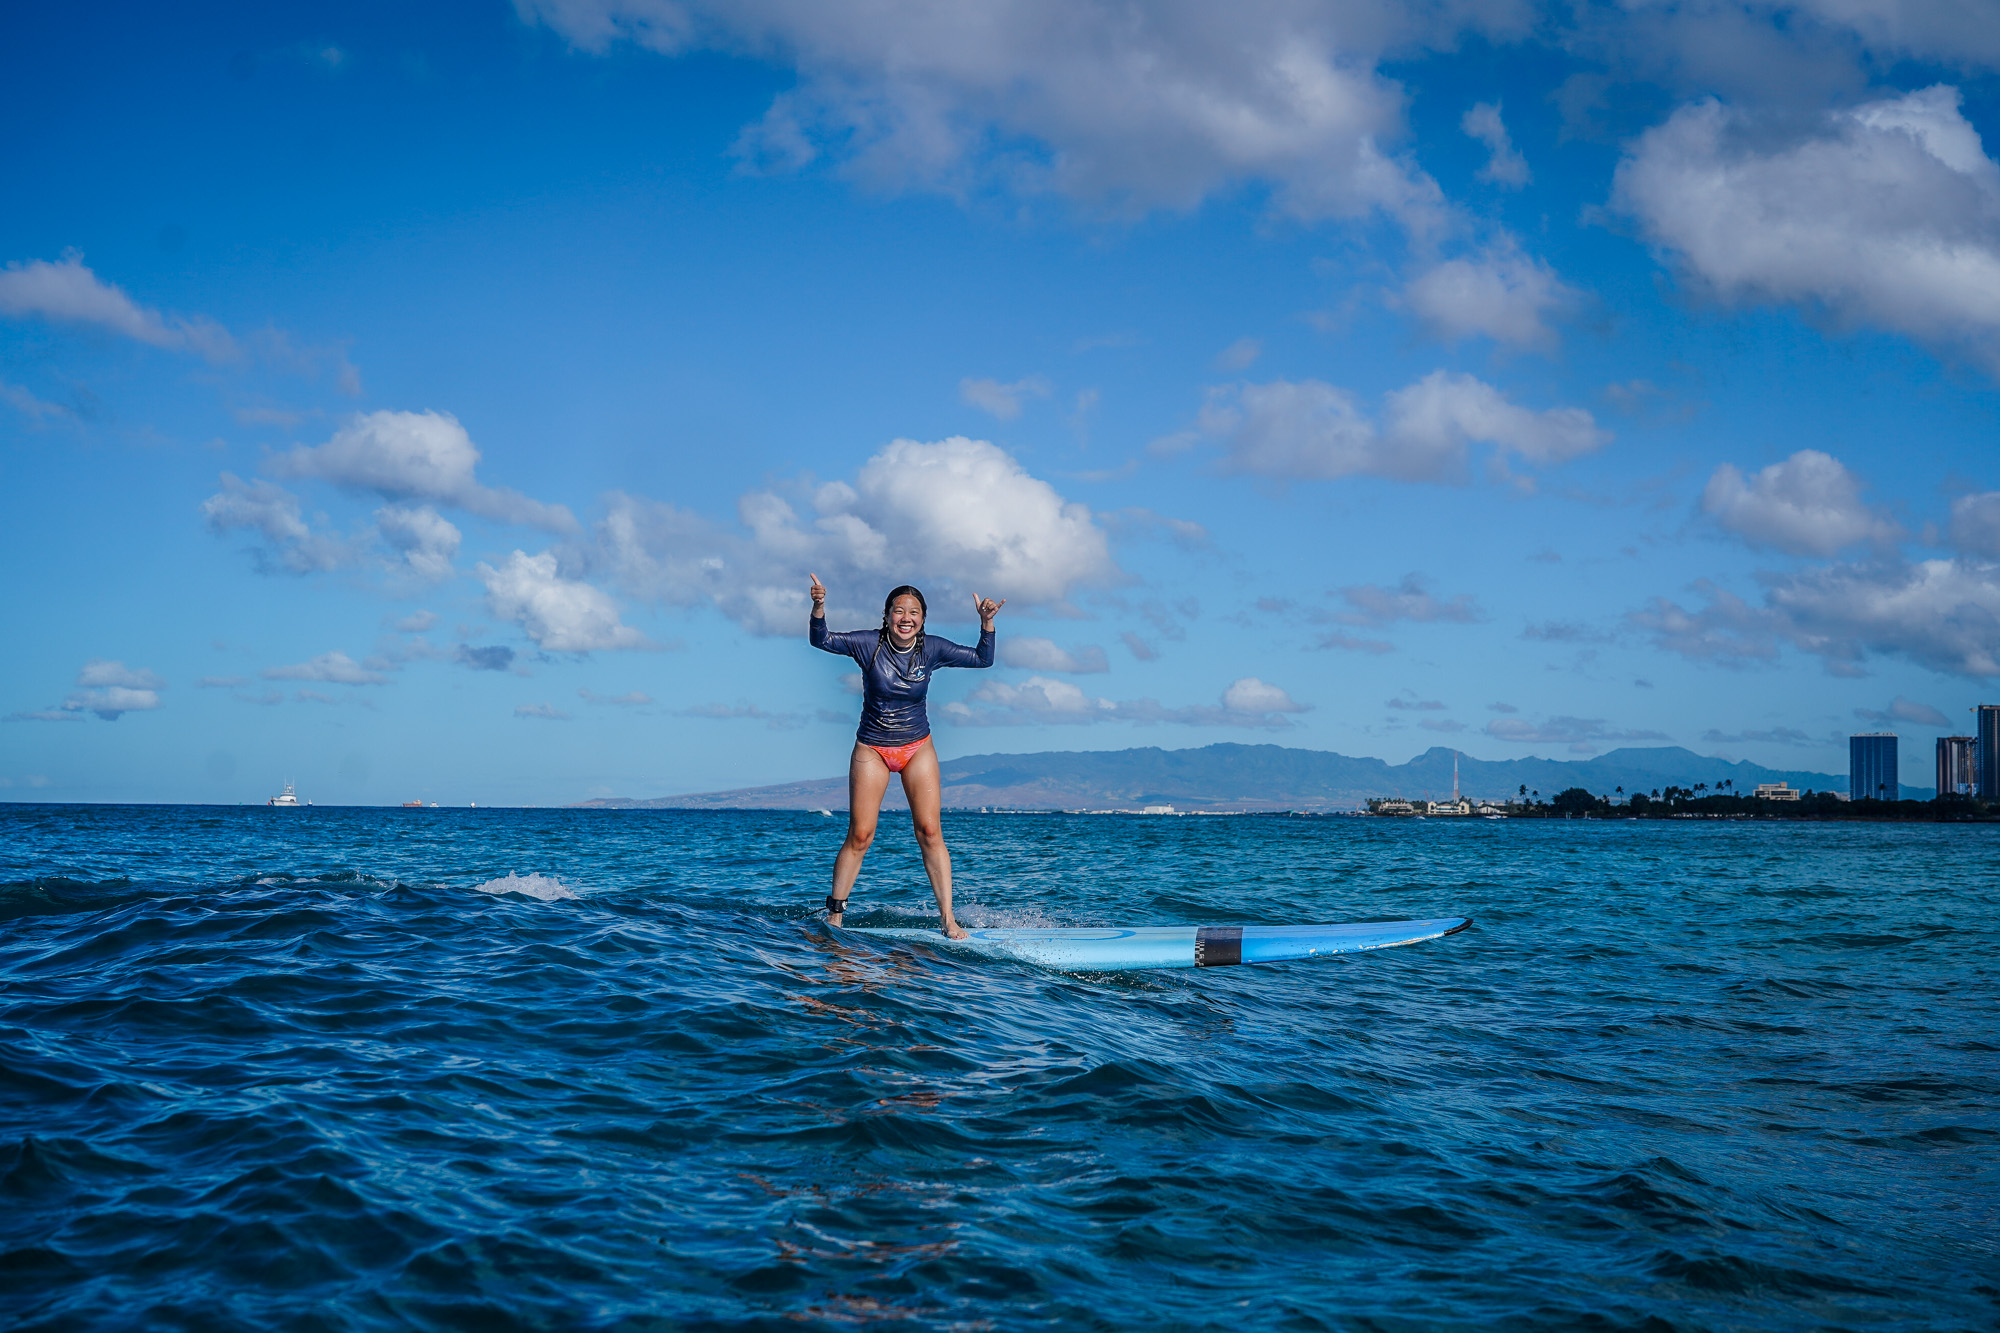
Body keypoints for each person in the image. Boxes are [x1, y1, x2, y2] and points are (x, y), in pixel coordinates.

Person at [808, 574, 1003, 938]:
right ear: (886, 616)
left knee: (930, 831)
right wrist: (819, 608)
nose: (906, 617)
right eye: (898, 610)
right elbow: (822, 640)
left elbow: (981, 659)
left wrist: (987, 624)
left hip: (917, 747)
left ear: (923, 619)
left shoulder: (932, 649)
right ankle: (835, 913)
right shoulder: (869, 644)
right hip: (872, 748)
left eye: (914, 612)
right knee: (861, 834)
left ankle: (948, 919)